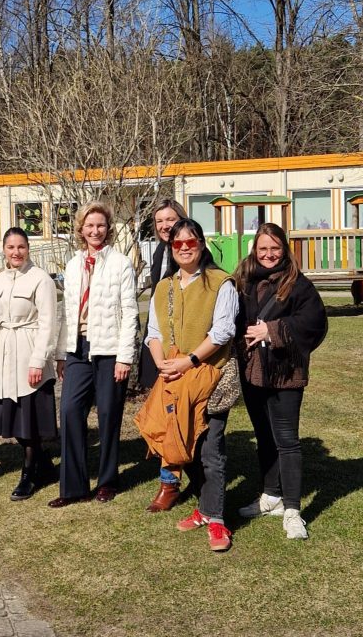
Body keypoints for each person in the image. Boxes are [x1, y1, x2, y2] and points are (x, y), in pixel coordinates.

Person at [144, 217, 238, 553]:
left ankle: (217, 519)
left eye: (191, 241)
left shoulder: (220, 283)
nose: (185, 248)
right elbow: (153, 333)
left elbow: (223, 332)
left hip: (210, 375)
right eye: (178, 243)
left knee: (210, 449)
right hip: (173, 376)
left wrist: (189, 361)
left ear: (201, 244)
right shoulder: (163, 287)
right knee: (188, 447)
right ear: (171, 247)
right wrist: (161, 364)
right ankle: (204, 508)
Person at [234, 222, 327, 540]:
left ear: (284, 249)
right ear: (254, 250)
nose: (269, 254)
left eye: (275, 248)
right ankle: (271, 496)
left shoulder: (298, 284)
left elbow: (314, 322)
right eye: (263, 248)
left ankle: (292, 510)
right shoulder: (244, 280)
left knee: (287, 441)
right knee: (264, 436)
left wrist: (271, 331)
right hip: (253, 372)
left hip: (286, 373)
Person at [49, 201, 138, 507]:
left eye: (100, 225)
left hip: (110, 349)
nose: (95, 230)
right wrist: (61, 353)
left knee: (109, 414)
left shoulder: (120, 263)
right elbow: (67, 311)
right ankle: (73, 487)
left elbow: (130, 312)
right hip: (78, 348)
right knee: (70, 411)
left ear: (108, 228)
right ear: (81, 229)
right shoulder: (73, 265)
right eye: (89, 225)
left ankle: (107, 481)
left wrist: (125, 357)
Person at [0, 227, 58, 500]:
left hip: (29, 351)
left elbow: (48, 323)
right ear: (4, 250)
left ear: (28, 248)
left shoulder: (40, 279)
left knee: (30, 419)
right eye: (11, 247)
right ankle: (44, 463)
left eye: (21, 247)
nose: (16, 252)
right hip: (4, 354)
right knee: (14, 419)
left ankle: (29, 474)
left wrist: (38, 361)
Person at [137, 198, 185, 390]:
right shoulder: (160, 251)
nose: (164, 226)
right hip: (158, 331)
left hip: (182, 335)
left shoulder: (190, 252)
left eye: (170, 220)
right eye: (159, 221)